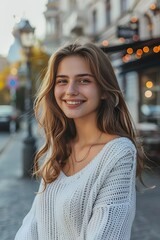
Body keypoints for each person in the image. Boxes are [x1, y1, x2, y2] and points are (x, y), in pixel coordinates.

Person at [14, 42, 144, 240]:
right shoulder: (59, 147)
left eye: (83, 80)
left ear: (104, 90)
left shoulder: (119, 153)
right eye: (62, 81)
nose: (71, 90)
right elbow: (33, 224)